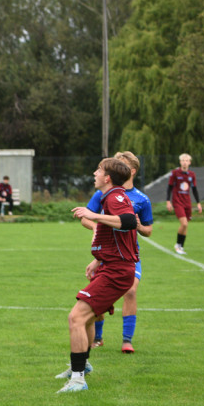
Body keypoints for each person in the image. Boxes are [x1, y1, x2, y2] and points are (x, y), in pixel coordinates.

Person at [57, 157, 139, 393]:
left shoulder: (116, 196)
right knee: (89, 317)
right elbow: (117, 235)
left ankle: (78, 378)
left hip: (117, 271)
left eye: (98, 170)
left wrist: (93, 216)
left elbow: (128, 222)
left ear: (108, 177)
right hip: (110, 266)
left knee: (76, 318)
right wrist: (98, 259)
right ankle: (82, 368)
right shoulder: (109, 196)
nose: (94, 173)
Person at [81, 152, 153, 353]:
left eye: (120, 164)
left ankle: (127, 340)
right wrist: (98, 228)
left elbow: (148, 230)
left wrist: (137, 226)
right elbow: (87, 217)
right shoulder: (102, 194)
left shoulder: (142, 199)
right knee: (97, 295)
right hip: (106, 253)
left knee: (130, 290)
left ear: (131, 171)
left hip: (129, 254)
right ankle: (98, 336)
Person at [166, 153, 202, 255]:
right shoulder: (175, 173)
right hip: (177, 202)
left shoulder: (192, 175)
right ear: (180, 162)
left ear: (189, 162)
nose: (184, 162)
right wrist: (168, 201)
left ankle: (181, 246)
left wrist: (198, 203)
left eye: (186, 160)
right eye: (183, 160)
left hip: (187, 203)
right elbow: (169, 187)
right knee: (184, 223)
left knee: (186, 226)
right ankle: (177, 245)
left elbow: (194, 189)